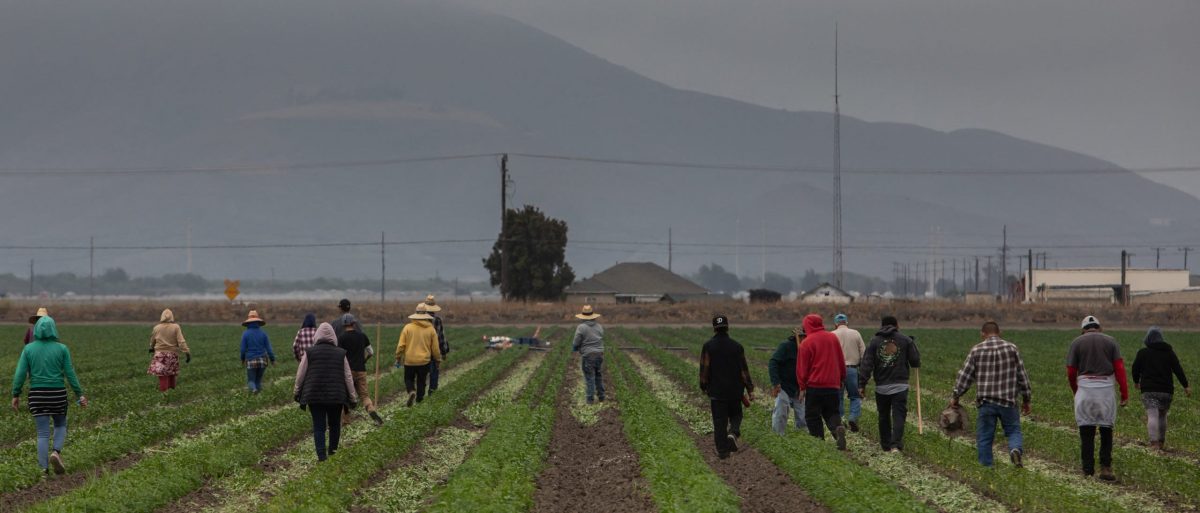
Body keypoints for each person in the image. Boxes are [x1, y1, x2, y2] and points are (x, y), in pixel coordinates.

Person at [11, 315, 88, 477]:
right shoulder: (62, 349)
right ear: (54, 329)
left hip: (37, 395)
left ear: (36, 329)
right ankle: (56, 452)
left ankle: (43, 469)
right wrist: (79, 394)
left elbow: (20, 373)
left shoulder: (28, 349)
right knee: (60, 425)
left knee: (42, 433)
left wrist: (15, 394)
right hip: (57, 394)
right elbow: (70, 373)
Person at [950, 321, 1032, 467]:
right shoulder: (1012, 348)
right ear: (999, 333)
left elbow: (965, 376)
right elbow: (1022, 376)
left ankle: (987, 467)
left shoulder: (976, 350)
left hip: (986, 403)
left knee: (985, 437)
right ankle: (1015, 449)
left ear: (983, 334)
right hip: (1008, 402)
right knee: (1013, 430)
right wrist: (1026, 399)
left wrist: (956, 396)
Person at [1066, 315, 1128, 481]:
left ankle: (1088, 470)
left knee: (1086, 432)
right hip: (1106, 391)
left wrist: (1075, 390)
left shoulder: (1076, 342)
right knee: (1106, 430)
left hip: (1085, 390)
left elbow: (1071, 371)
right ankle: (1106, 468)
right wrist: (1124, 393)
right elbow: (1120, 369)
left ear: (1083, 330)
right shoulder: (1111, 341)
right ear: (1099, 328)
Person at [294, 322, 357, 462]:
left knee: (319, 426)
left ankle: (322, 456)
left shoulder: (309, 352)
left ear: (317, 336)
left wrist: (297, 391)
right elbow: (348, 376)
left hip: (314, 395)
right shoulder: (341, 353)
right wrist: (353, 397)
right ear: (333, 337)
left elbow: (301, 374)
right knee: (335, 425)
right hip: (336, 396)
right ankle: (333, 453)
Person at [859, 315, 921, 453]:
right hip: (900, 385)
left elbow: (866, 364)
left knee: (883, 415)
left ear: (881, 326)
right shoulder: (905, 340)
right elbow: (915, 361)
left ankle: (886, 445)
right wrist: (912, 344)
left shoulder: (874, 341)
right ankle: (895, 445)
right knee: (899, 415)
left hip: (881, 387)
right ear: (897, 325)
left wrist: (862, 384)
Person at [699, 314, 754, 459]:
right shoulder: (737, 347)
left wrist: (704, 386)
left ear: (714, 329)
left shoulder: (708, 346)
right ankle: (733, 433)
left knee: (719, 422)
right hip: (735, 391)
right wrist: (750, 389)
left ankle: (723, 452)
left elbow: (704, 370)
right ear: (727, 327)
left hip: (717, 392)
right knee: (736, 415)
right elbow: (744, 370)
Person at [1131, 326, 1189, 451]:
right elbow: (1178, 369)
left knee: (1152, 415)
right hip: (1166, 390)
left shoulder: (1143, 353)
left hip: (1149, 390)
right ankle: (1161, 442)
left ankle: (1154, 443)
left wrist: (1136, 381)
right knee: (1162, 415)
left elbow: (1135, 368)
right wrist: (1186, 386)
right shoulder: (1169, 352)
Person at [796, 314, 847, 450]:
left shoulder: (806, 343)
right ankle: (837, 429)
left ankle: (819, 444)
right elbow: (841, 360)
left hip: (815, 385)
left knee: (812, 416)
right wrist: (842, 378)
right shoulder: (832, 337)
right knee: (832, 412)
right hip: (833, 385)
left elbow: (802, 368)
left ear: (807, 326)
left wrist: (802, 386)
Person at [338, 313, 383, 426]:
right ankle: (372, 412)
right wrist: (365, 360)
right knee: (364, 396)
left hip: (348, 371)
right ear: (354, 323)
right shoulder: (362, 336)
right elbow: (371, 352)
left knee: (346, 396)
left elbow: (339, 355)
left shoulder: (342, 338)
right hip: (361, 370)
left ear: (343, 325)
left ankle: (346, 421)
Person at [395, 303, 442, 406]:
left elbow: (401, 345)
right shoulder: (430, 329)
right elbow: (435, 348)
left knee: (408, 378)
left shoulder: (407, 328)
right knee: (421, 381)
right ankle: (419, 400)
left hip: (410, 360)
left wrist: (398, 357)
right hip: (424, 361)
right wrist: (438, 360)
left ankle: (411, 391)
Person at [832, 313, 866, 432]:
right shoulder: (856, 333)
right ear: (846, 322)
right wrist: (863, 372)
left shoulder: (832, 335)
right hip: (852, 369)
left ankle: (841, 421)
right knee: (855, 396)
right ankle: (853, 418)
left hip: (836, 371)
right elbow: (863, 354)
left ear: (835, 324)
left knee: (838, 397)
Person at [768, 326, 804, 435]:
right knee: (781, 412)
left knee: (803, 417)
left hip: (800, 388)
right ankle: (778, 437)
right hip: (784, 386)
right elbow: (773, 362)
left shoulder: (807, 348)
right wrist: (776, 383)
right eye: (803, 337)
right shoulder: (786, 346)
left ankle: (804, 439)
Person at [147, 308, 191, 398]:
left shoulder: (157, 327)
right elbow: (181, 341)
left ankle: (164, 395)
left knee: (163, 375)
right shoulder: (176, 327)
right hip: (172, 354)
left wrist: (151, 348)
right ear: (172, 317)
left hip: (160, 355)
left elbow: (152, 340)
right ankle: (172, 394)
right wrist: (186, 352)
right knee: (172, 374)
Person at [572, 305, 605, 404]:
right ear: (593, 316)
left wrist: (575, 347)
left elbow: (576, 341)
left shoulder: (581, 327)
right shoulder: (599, 326)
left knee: (589, 377)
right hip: (599, 354)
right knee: (598, 375)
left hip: (588, 355)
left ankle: (590, 400)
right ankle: (601, 397)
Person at [240, 310, 276, 394]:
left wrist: (242, 359)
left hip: (251, 360)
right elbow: (269, 349)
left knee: (251, 380)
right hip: (262, 360)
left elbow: (242, 349)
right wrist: (272, 360)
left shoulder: (245, 334)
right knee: (258, 381)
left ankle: (253, 389)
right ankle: (258, 395)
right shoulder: (263, 334)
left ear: (248, 323)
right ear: (258, 322)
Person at [424, 295, 449, 396]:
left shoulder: (419, 320)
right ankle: (432, 393)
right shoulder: (437, 320)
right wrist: (444, 352)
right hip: (434, 351)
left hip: (421, 351)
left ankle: (420, 393)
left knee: (422, 373)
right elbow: (441, 337)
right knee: (434, 372)